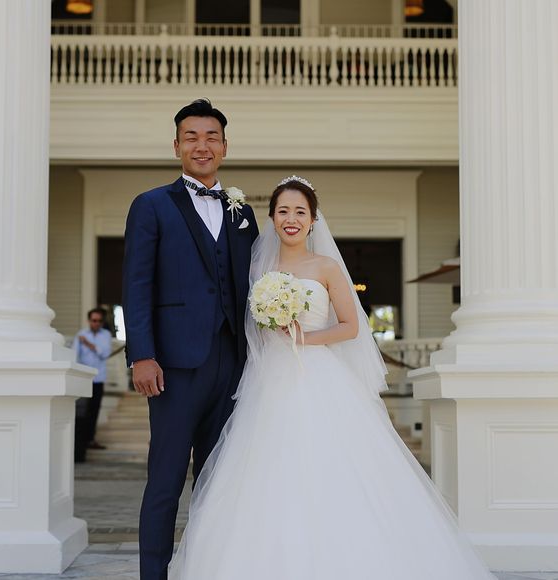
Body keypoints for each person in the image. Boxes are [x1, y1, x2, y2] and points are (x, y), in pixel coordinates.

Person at [169, 177, 497, 580]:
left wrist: (306, 338)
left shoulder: (326, 267)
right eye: (283, 211)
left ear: (313, 220)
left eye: (300, 212)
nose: (291, 219)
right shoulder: (255, 269)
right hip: (267, 381)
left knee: (330, 467)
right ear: (272, 218)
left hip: (317, 374)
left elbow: (350, 326)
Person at [122, 98, 259, 580]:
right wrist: (142, 354)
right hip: (173, 367)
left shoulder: (242, 213)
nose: (202, 145)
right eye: (192, 137)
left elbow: (251, 283)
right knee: (165, 480)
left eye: (211, 137)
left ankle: (203, 569)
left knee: (217, 481)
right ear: (177, 145)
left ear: (225, 146)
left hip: (233, 363)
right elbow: (136, 285)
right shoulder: (151, 205)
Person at [72, 307, 112, 453]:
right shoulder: (81, 334)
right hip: (84, 379)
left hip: (98, 378)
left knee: (94, 410)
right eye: (94, 320)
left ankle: (91, 439)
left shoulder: (106, 335)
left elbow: (105, 354)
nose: (96, 323)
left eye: (99, 321)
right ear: (89, 320)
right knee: (83, 412)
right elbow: (74, 355)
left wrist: (89, 344)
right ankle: (81, 442)